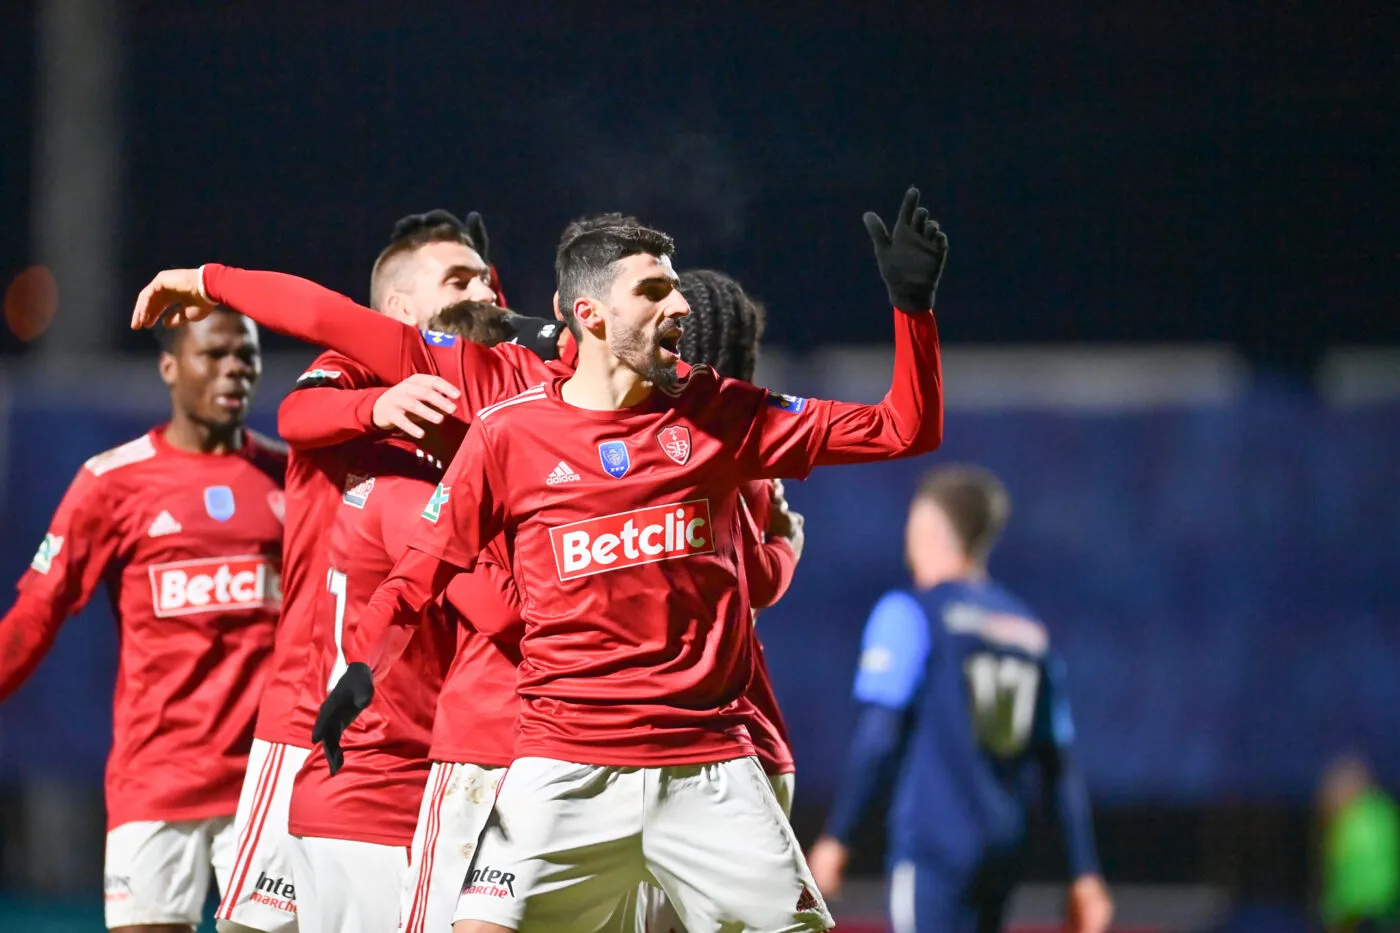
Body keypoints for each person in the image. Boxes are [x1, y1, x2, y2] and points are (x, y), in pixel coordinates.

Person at [215, 211, 507, 933]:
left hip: (430, 735)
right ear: (401, 310)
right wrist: (377, 404)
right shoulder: (354, 370)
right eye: (460, 278)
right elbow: (297, 412)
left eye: (487, 277)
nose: (486, 290)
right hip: (312, 723)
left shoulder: (487, 405)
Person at [0, 309, 285, 933]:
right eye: (215, 355)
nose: (235, 369)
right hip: (156, 781)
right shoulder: (111, 483)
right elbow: (35, 615)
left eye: (248, 356)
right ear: (169, 366)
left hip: (266, 786)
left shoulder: (291, 479)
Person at [806, 466, 1113, 933]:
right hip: (1002, 853)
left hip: (933, 847)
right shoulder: (1029, 633)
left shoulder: (911, 612)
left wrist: (837, 837)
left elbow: (881, 736)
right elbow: (1058, 765)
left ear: (928, 524)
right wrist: (1084, 875)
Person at [1318, 754, 1400, 933]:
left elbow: (1348, 876)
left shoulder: (1348, 822)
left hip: (1361, 912)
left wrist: (1334, 913)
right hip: (1386, 908)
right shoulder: (1385, 811)